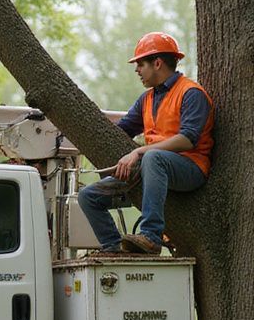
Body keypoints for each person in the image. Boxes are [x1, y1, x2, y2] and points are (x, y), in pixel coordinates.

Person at [78, 32, 214, 255]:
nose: (136, 70)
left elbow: (188, 139)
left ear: (157, 63)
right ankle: (113, 247)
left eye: (141, 64)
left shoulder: (191, 93)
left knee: (152, 158)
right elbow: (121, 130)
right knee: (88, 196)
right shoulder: (147, 99)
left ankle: (151, 236)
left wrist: (139, 152)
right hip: (152, 167)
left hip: (190, 168)